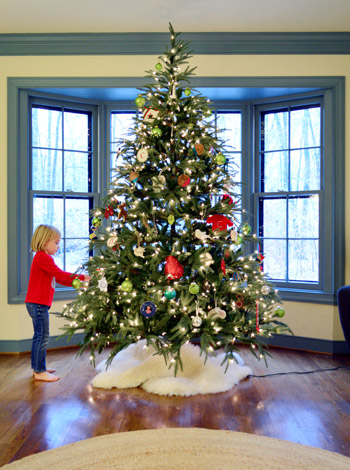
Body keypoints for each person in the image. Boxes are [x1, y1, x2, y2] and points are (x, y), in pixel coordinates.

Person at [25, 224, 90, 382]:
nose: (58, 246)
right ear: (45, 242)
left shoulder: (42, 258)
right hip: (37, 304)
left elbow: (59, 278)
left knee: (39, 336)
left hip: (37, 303)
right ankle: (39, 371)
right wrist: (82, 278)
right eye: (56, 242)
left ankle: (38, 367)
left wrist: (79, 282)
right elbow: (59, 275)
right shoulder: (43, 257)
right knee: (42, 336)